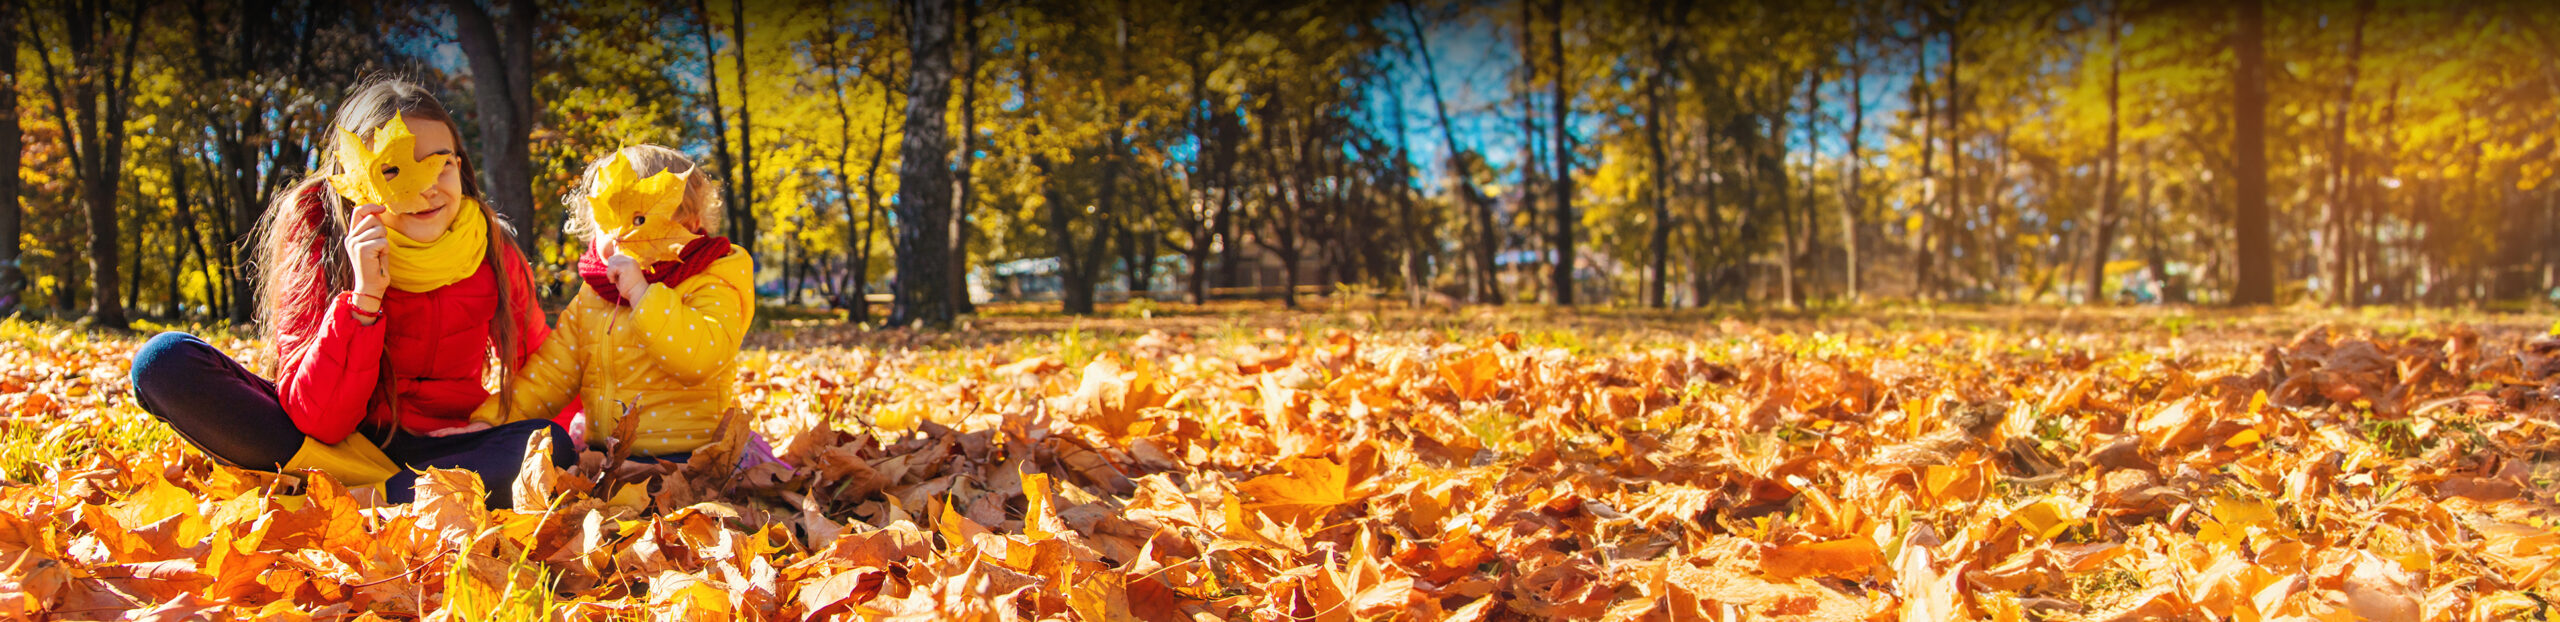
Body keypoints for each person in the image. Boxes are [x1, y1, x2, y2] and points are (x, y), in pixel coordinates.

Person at [127, 78, 573, 509]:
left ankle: (366, 498)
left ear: (462, 165)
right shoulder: (320, 227)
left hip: (446, 451)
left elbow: (543, 365)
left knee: (552, 446)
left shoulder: (489, 246)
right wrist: (363, 301)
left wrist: (500, 422)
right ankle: (395, 496)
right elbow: (318, 419)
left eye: (443, 162)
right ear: (356, 179)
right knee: (164, 361)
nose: (427, 186)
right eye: (394, 169)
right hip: (326, 443)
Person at [471, 145, 774, 467]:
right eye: (607, 221)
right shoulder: (593, 297)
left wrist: (643, 296)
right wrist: (491, 421)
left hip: (692, 457)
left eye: (639, 219)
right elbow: (549, 376)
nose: (619, 236)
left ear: (691, 223)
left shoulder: (709, 279)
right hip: (611, 456)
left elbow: (699, 360)